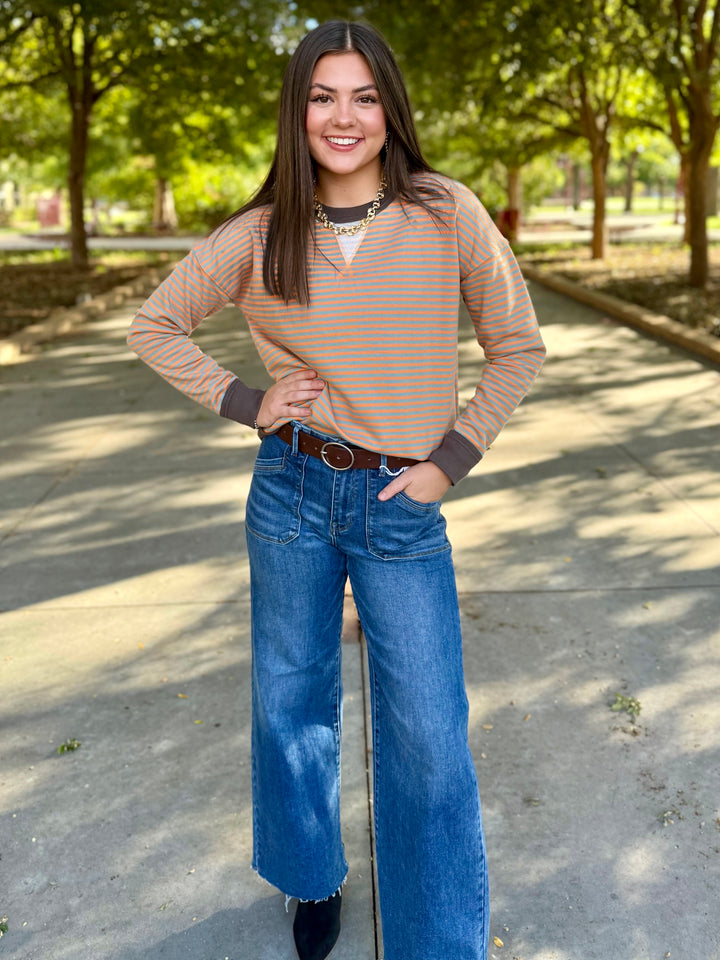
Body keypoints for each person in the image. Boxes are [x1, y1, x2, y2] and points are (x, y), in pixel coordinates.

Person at [127, 18, 545, 960]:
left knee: (430, 732)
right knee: (291, 705)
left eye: (363, 96)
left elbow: (518, 346)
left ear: (390, 110)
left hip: (402, 505)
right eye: (323, 96)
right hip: (291, 496)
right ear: (299, 110)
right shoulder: (261, 231)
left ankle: (438, 936)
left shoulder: (447, 213)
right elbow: (156, 327)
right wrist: (247, 400)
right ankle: (311, 879)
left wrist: (451, 459)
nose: (343, 116)